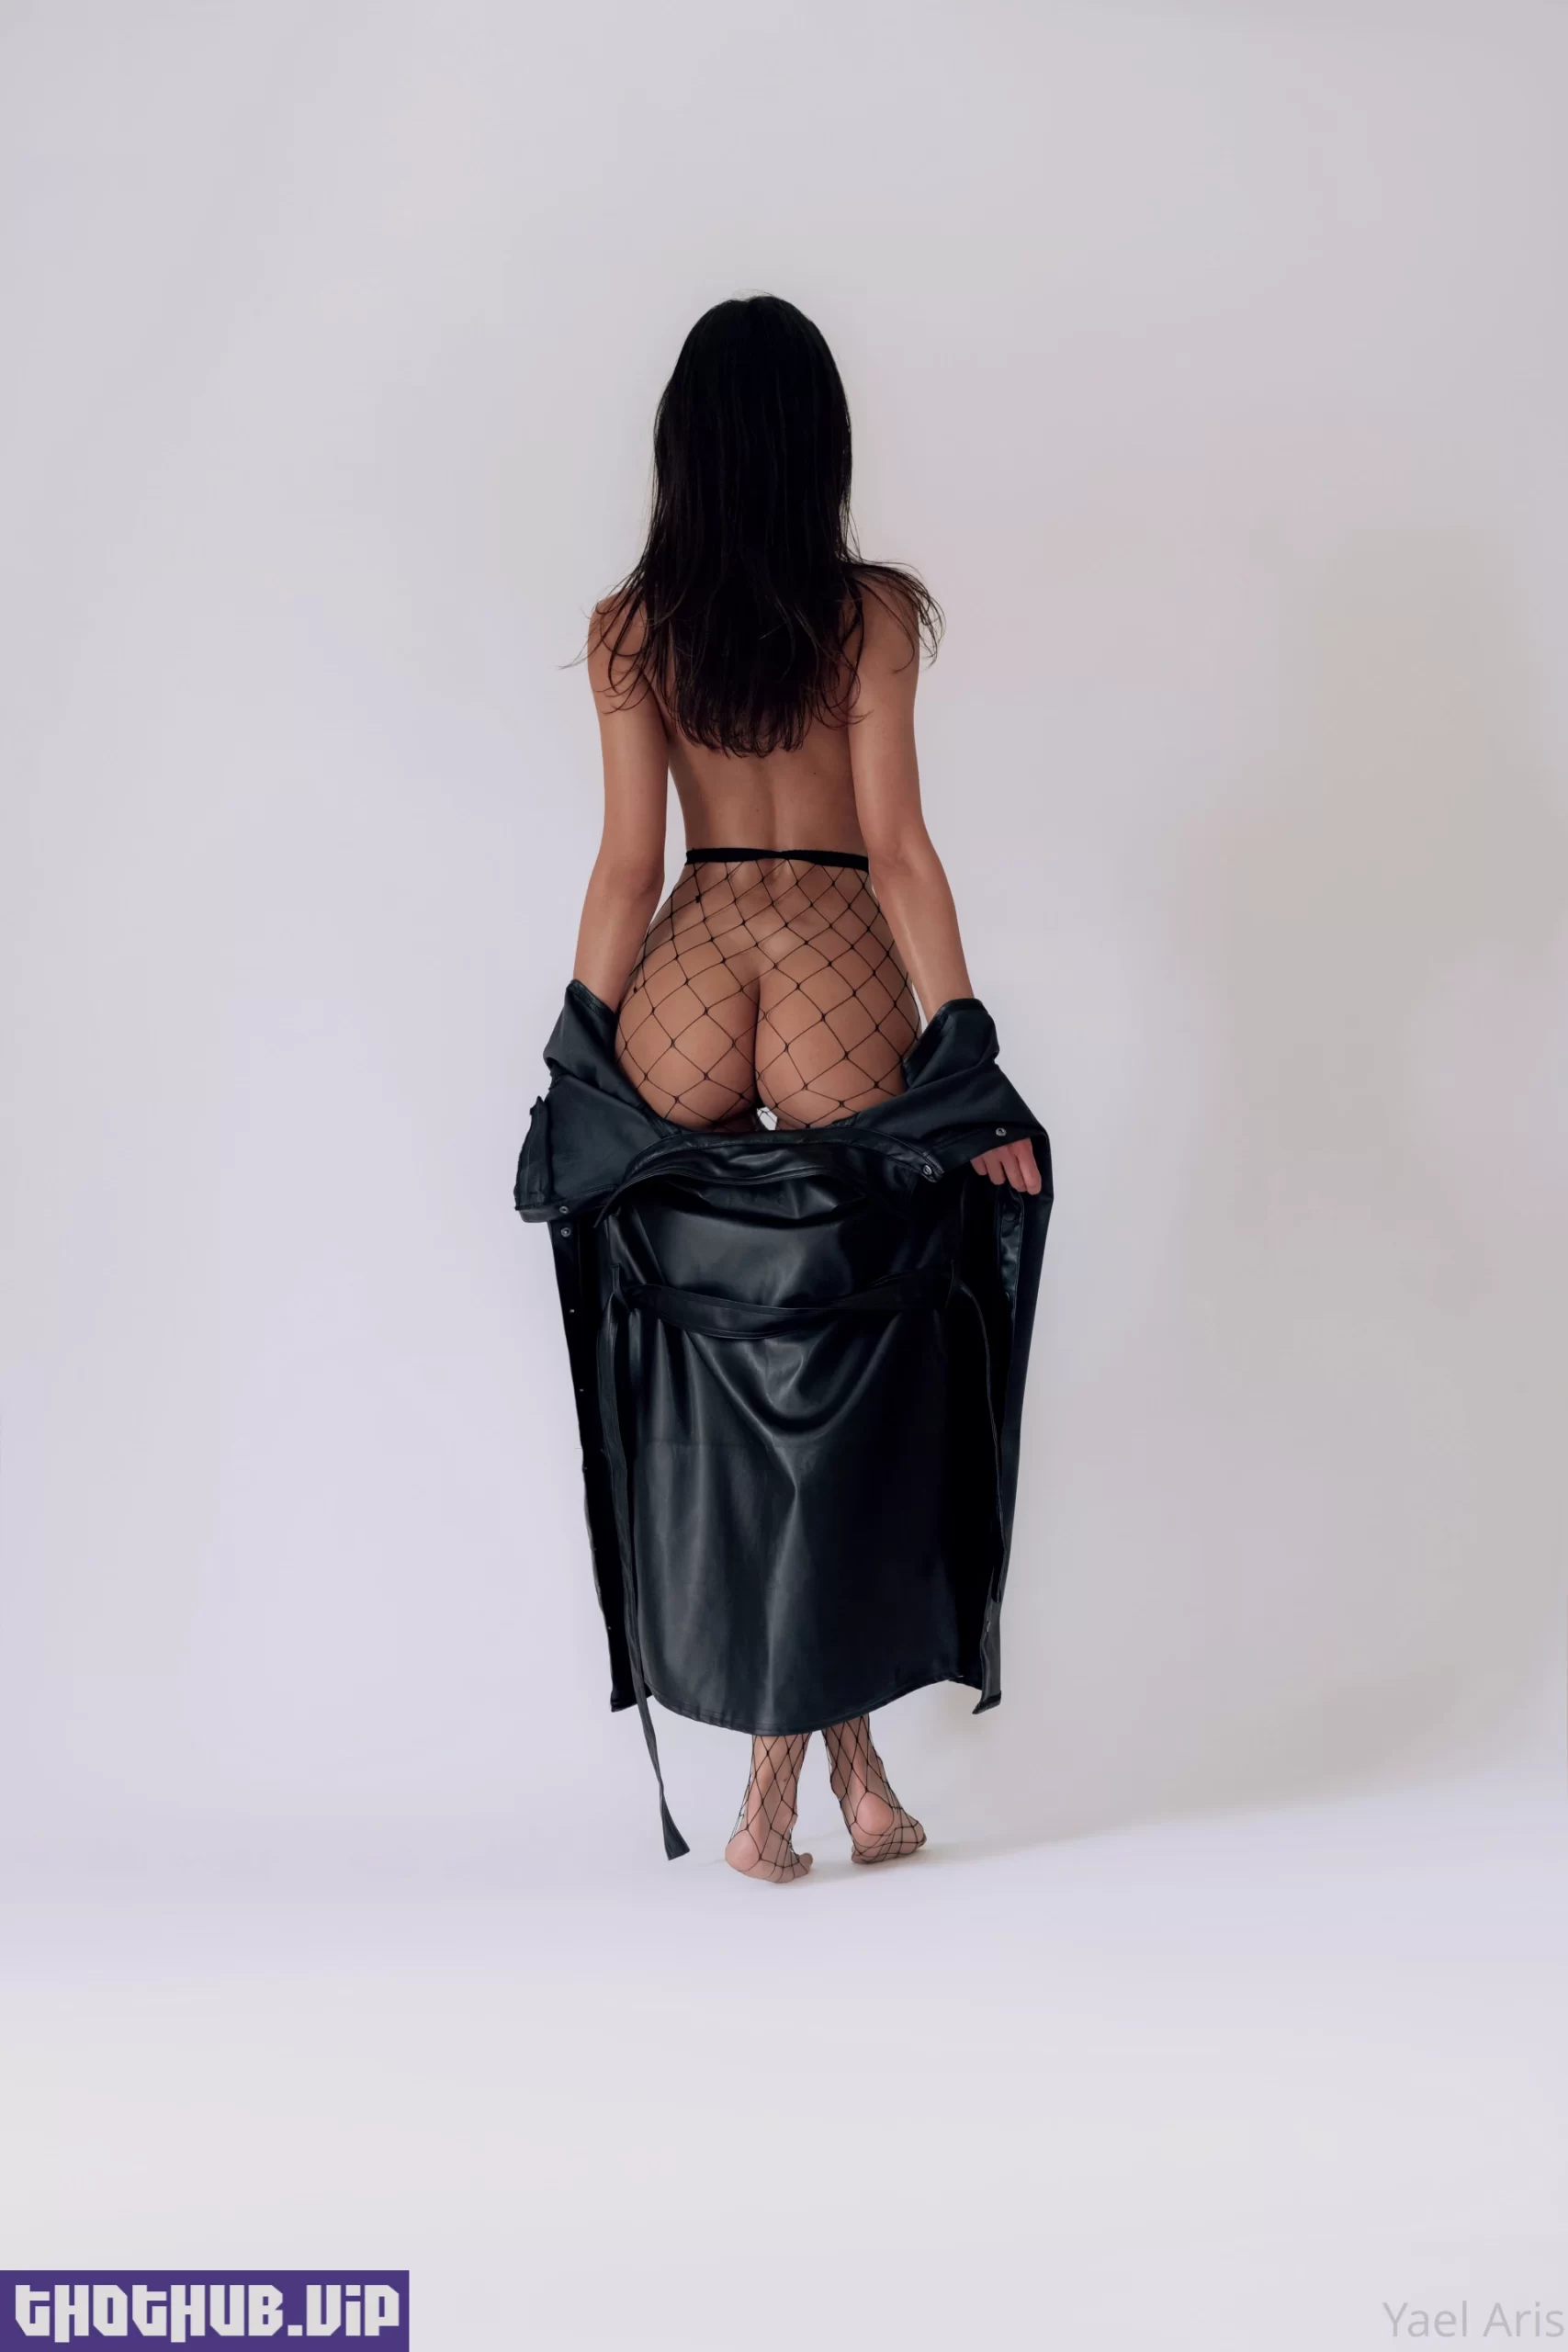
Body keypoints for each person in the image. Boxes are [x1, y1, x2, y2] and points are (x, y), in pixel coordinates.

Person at [544, 294, 1045, 1882]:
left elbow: (627, 870)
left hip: (689, 972)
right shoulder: (870, 615)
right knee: (840, 1386)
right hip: (830, 958)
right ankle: (815, 1790)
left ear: (681, 448)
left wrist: (575, 1063)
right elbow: (896, 855)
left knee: (716, 1378)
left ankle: (820, 1784)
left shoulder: (632, 627)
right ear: (818, 442)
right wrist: (967, 1069)